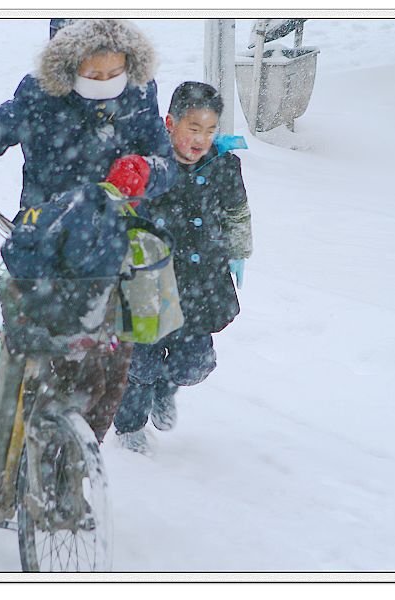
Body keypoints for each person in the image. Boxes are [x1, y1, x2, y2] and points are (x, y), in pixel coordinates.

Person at [0, 19, 177, 442]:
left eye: (115, 72)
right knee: (41, 364)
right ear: (67, 64)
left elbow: (166, 164)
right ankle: (22, 461)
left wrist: (146, 170)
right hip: (42, 246)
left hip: (109, 250)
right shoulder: (40, 96)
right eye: (93, 74)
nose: (106, 82)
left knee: (106, 380)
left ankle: (71, 464)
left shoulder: (139, 93)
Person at [112, 82, 253, 454]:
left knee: (197, 364)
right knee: (139, 363)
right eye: (193, 128)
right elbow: (117, 211)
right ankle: (130, 426)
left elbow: (238, 213)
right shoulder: (147, 165)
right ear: (170, 123)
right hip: (148, 284)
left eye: (209, 130)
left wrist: (239, 252)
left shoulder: (223, 166)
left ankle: (165, 387)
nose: (201, 140)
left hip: (200, 281)